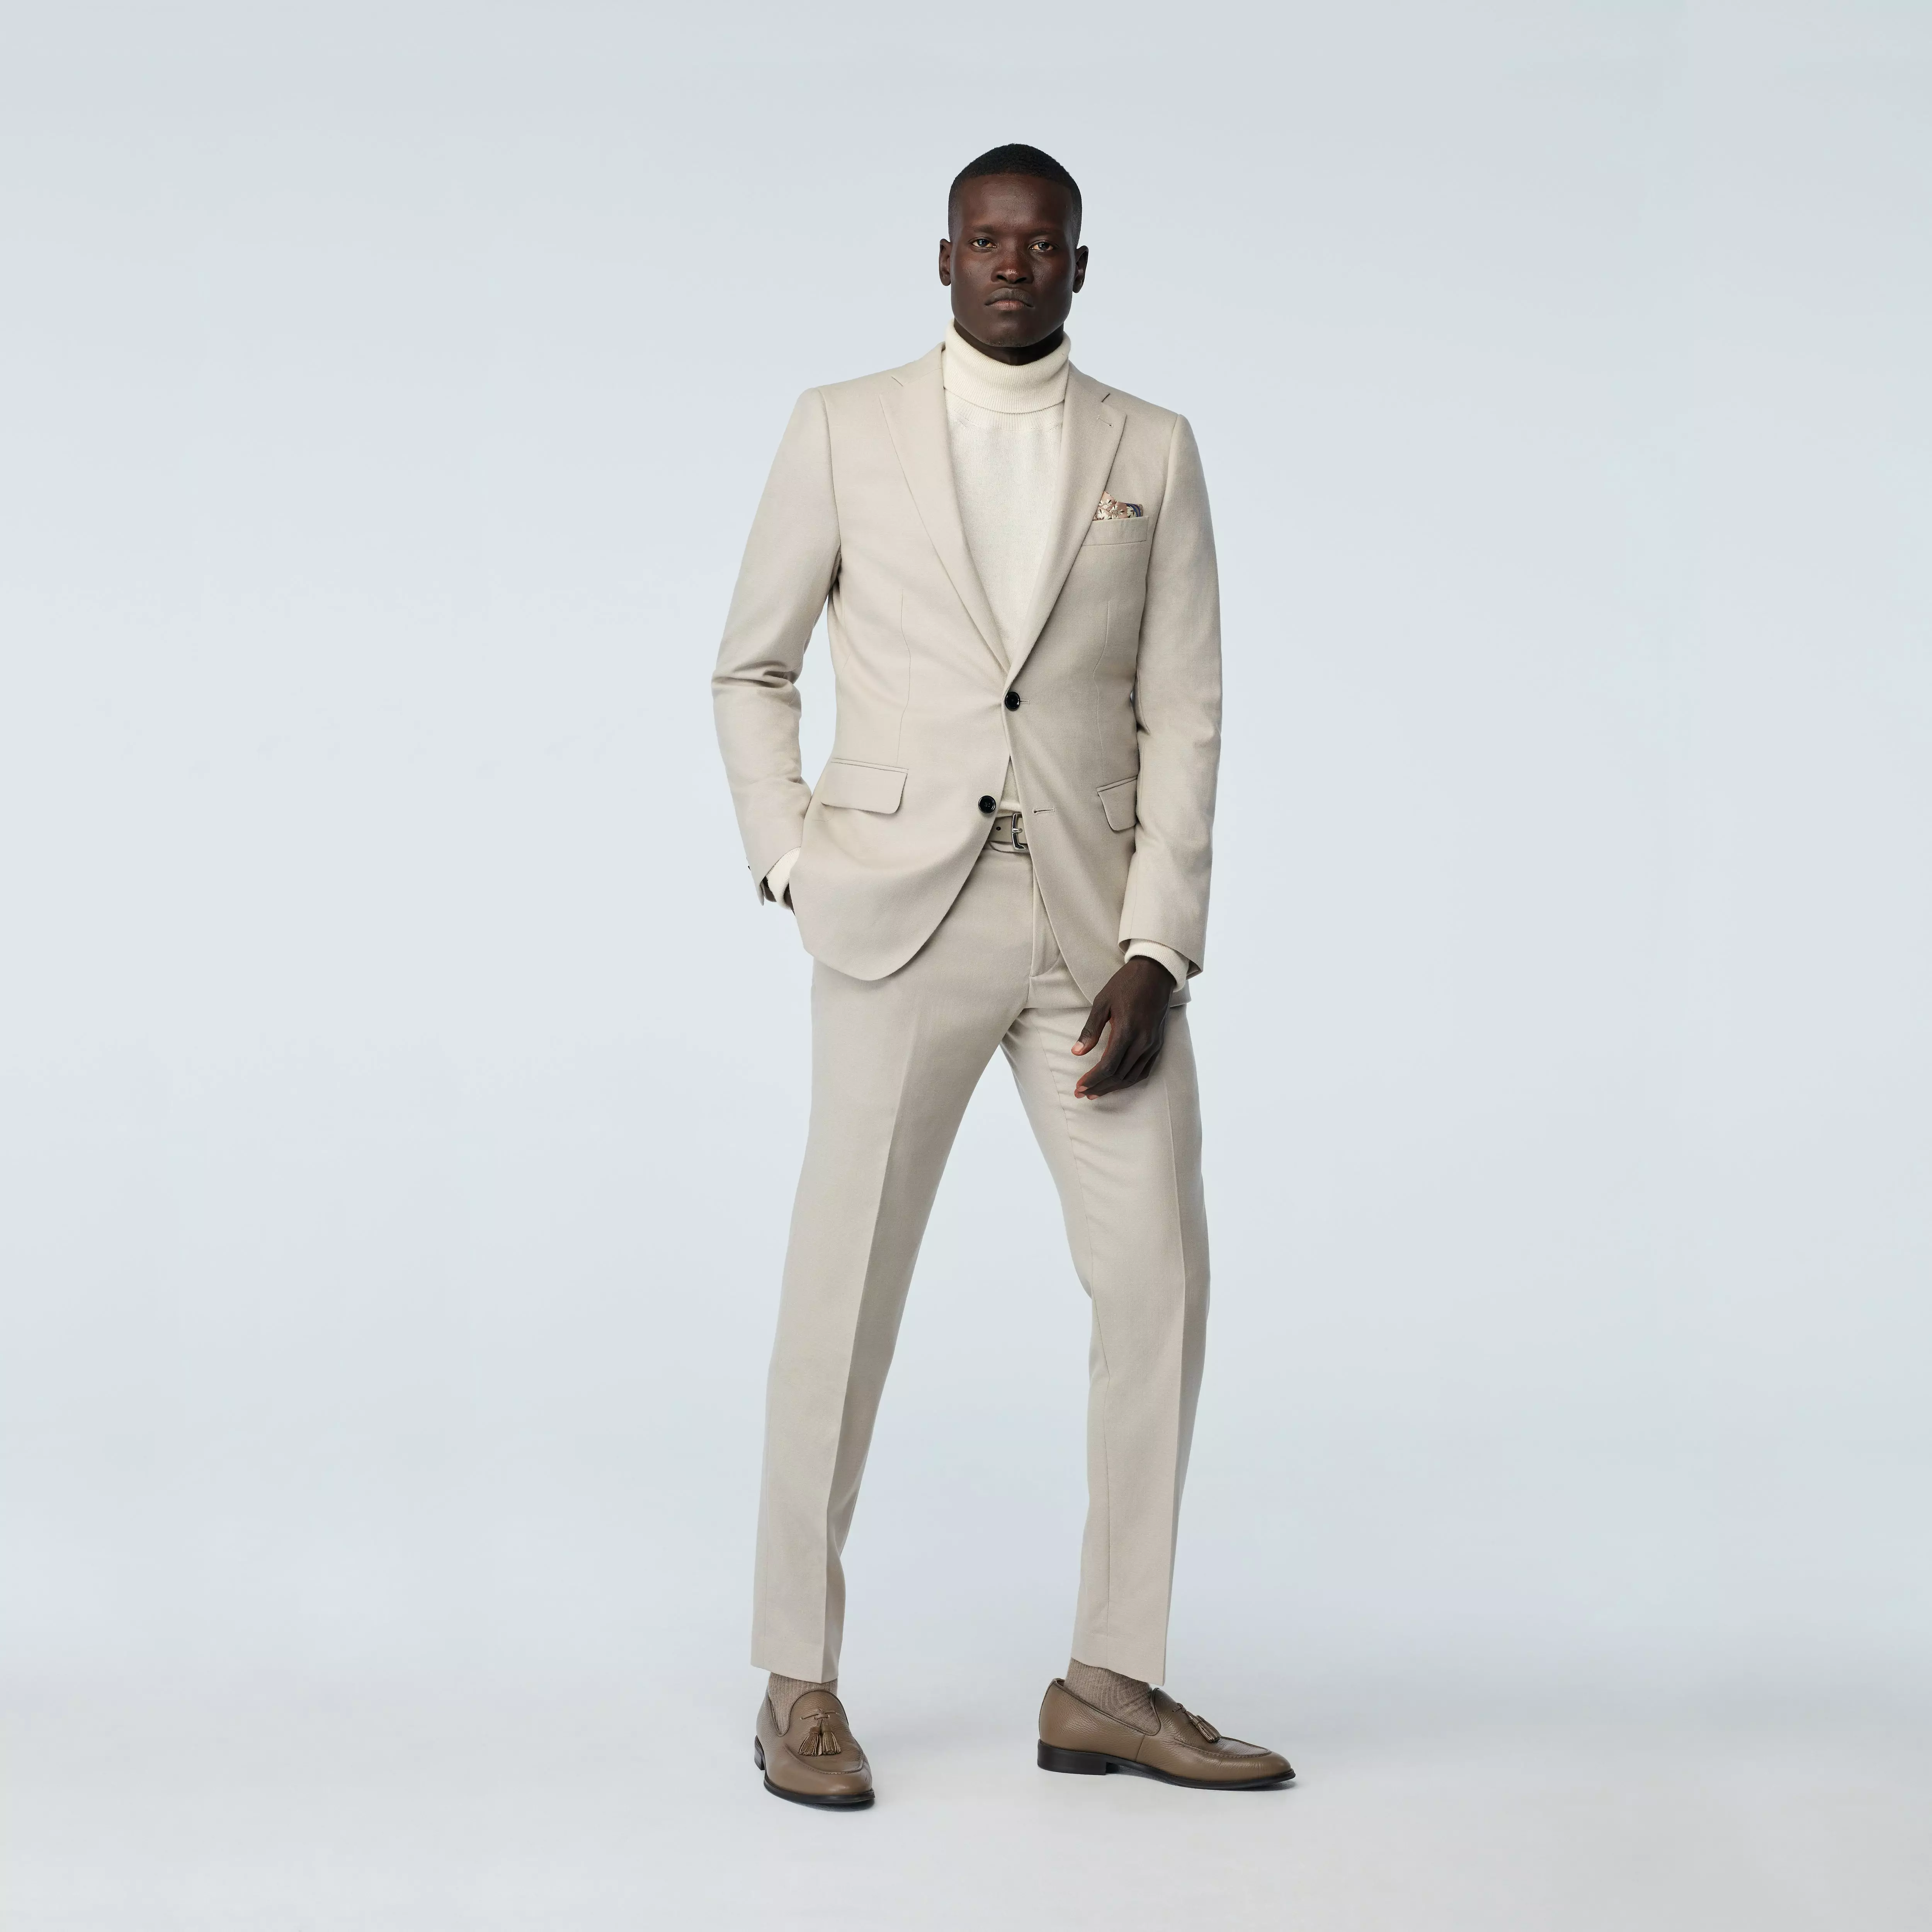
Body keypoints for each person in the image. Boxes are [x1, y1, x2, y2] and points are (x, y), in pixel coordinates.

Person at [712, 142, 1291, 1807]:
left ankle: (1109, 1675)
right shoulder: (843, 426)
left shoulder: (1152, 449)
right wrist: (790, 853)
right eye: (986, 240)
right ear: (945, 257)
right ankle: (798, 1677)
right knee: (843, 1290)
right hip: (896, 912)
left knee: (1155, 1280)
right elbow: (750, 666)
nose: (1013, 265)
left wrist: (1160, 942)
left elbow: (1186, 709)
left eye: (1042, 244)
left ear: (1080, 266)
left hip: (1094, 939)